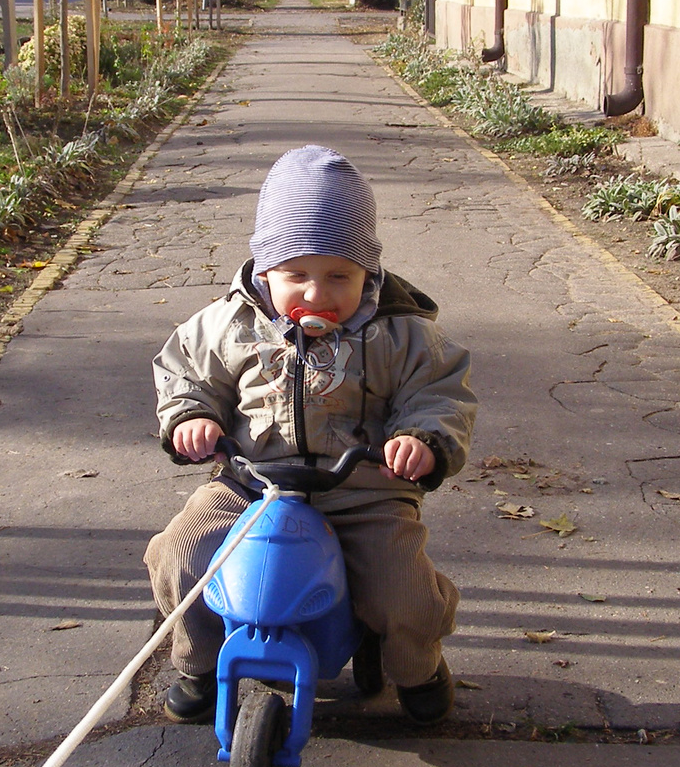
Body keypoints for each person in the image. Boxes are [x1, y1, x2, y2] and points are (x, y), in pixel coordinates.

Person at [146, 145, 476, 726]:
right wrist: (191, 417)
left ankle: (416, 663)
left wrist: (424, 436)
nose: (317, 295)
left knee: (402, 589)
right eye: (295, 275)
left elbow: (438, 390)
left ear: (368, 272)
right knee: (182, 553)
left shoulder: (400, 332)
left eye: (339, 276)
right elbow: (186, 373)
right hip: (249, 484)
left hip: (363, 490)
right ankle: (198, 660)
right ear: (264, 268)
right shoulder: (230, 323)